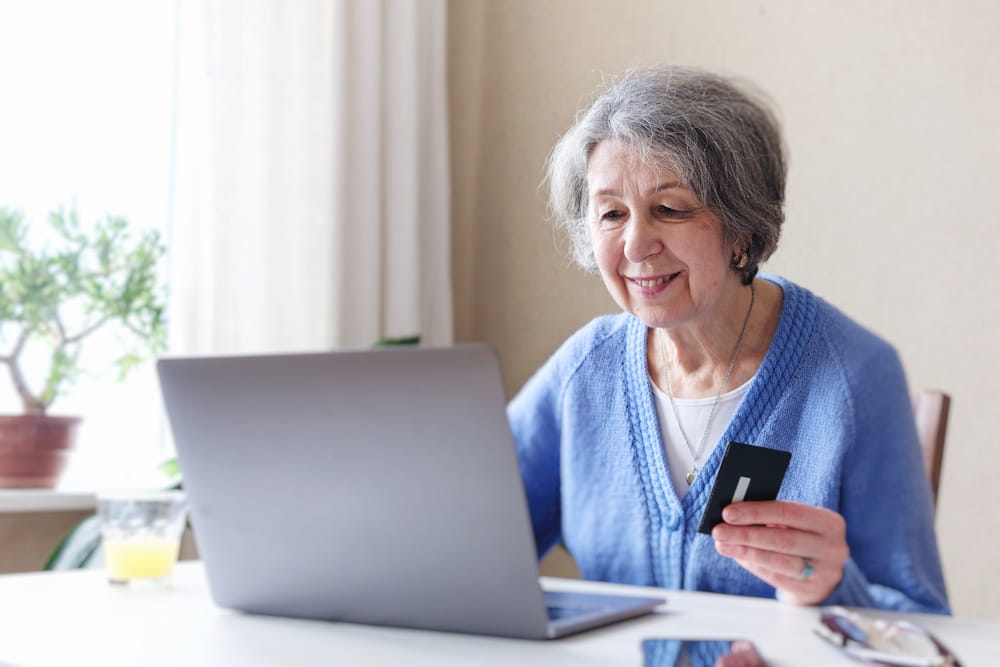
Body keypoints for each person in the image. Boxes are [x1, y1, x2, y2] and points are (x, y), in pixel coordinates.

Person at [507, 65, 949, 614]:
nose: (637, 244)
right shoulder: (585, 369)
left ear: (740, 226)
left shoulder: (855, 376)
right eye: (612, 214)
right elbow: (474, 541)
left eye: (670, 209)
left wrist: (828, 589)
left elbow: (921, 621)